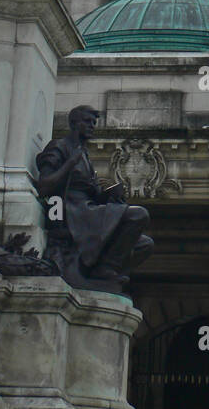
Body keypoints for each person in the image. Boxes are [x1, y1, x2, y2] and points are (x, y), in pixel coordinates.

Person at [36, 106, 153, 289]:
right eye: (87, 122)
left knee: (145, 244)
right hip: (71, 211)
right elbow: (44, 186)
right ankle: (105, 269)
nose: (92, 126)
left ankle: (103, 272)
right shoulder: (59, 147)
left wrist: (111, 193)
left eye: (94, 123)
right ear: (74, 123)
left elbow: (95, 194)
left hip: (87, 210)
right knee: (138, 215)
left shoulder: (83, 154)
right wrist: (70, 163)